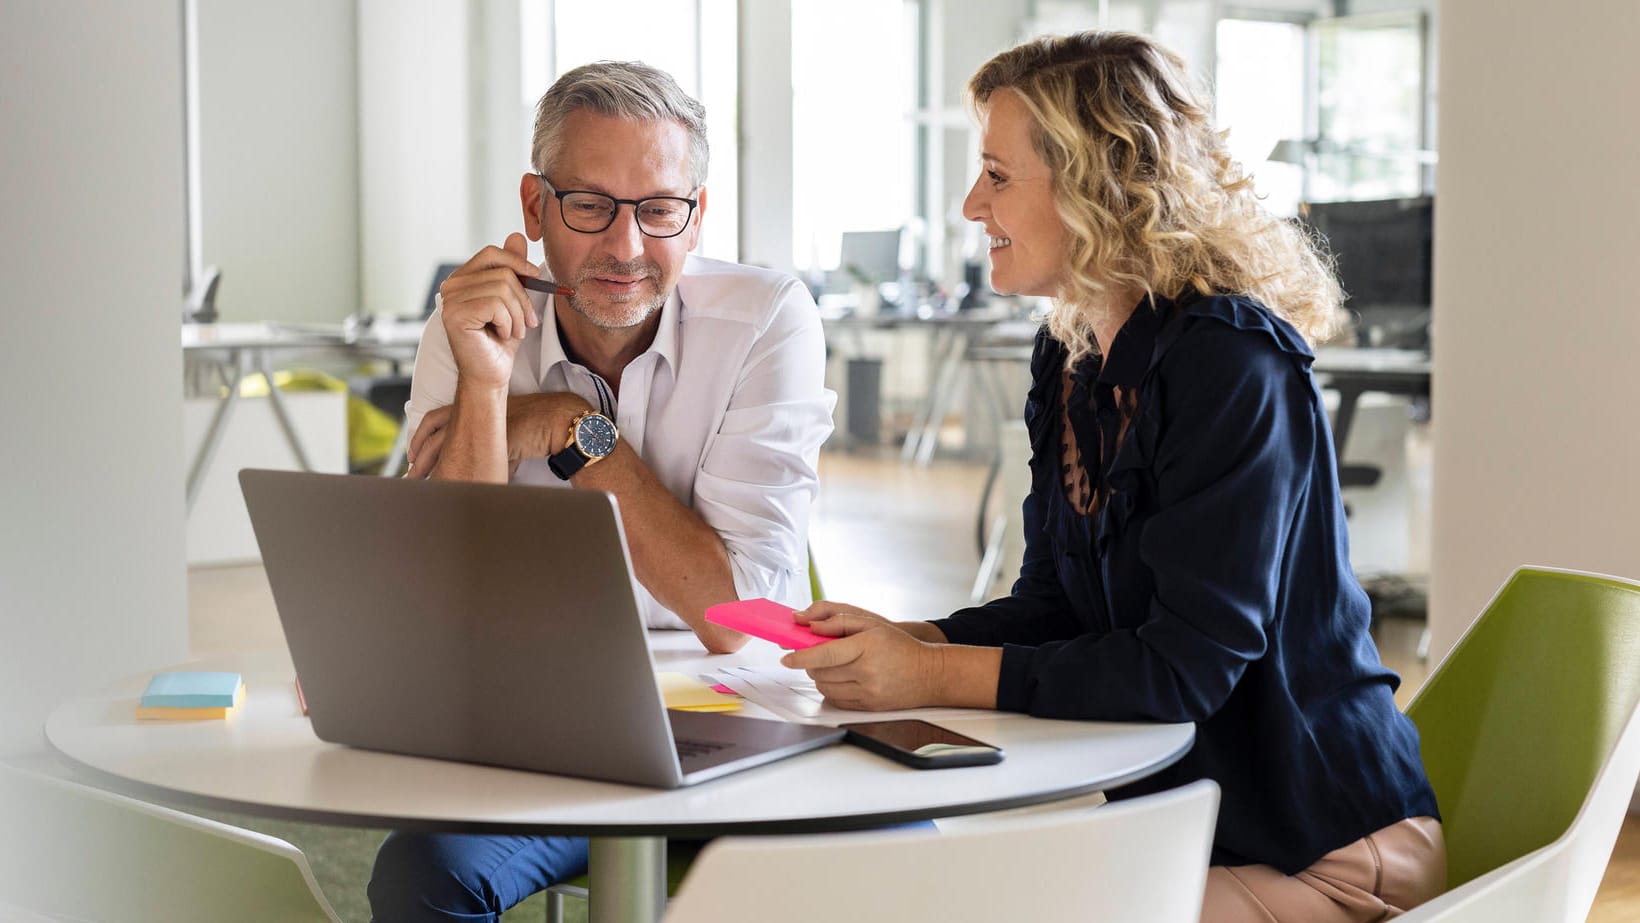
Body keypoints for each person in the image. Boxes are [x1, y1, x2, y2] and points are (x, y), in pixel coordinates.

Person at [782, 32, 1445, 922]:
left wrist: (928, 676)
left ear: (1100, 182)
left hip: (1323, 847)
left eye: (997, 173)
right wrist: (913, 639)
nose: (972, 203)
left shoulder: (1232, 364)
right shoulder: (1072, 358)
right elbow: (1055, 603)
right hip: (1195, 826)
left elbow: (1183, 669)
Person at [368, 60, 833, 922]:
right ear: (534, 207)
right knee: (423, 871)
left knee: (902, 841)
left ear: (697, 219)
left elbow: (740, 614)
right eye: (589, 205)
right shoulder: (471, 318)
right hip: (533, 719)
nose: (625, 248)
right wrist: (487, 385)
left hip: (727, 715)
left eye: (659, 209)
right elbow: (437, 602)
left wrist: (574, 431)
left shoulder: (767, 319)